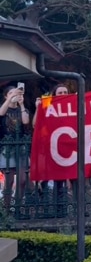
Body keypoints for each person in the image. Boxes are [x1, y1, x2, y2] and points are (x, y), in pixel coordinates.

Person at [34, 83, 70, 217]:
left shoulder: (73, 104)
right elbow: (35, 124)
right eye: (60, 92)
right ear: (54, 94)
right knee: (54, 178)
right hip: (51, 147)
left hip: (68, 147)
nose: (63, 94)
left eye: (65, 92)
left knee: (70, 178)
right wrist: (39, 107)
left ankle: (64, 209)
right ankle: (50, 209)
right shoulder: (48, 102)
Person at [0, 84, 31, 215]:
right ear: (5, 96)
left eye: (16, 93)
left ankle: (17, 206)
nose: (14, 95)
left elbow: (25, 122)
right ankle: (6, 209)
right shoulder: (4, 109)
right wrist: (9, 100)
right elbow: (0, 113)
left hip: (21, 148)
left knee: (23, 179)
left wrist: (22, 105)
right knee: (9, 180)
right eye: (11, 93)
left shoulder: (22, 110)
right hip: (7, 148)